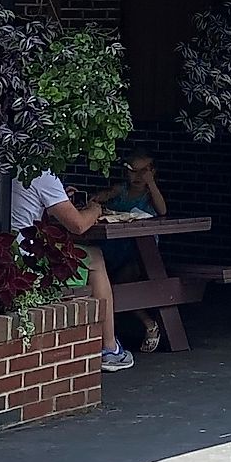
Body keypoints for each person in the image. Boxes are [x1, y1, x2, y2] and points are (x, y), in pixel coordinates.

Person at [11, 164, 135, 371]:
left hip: (2, 251)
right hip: (27, 258)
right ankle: (110, 348)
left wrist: (60, 199)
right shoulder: (39, 172)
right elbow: (77, 225)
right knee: (95, 257)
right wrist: (94, 209)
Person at [99, 151, 170, 355]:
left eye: (144, 171)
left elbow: (162, 210)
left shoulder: (150, 195)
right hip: (112, 248)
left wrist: (152, 184)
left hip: (138, 251)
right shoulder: (120, 190)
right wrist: (99, 198)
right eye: (133, 171)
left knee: (118, 287)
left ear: (152, 172)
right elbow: (104, 196)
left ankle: (149, 324)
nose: (138, 176)